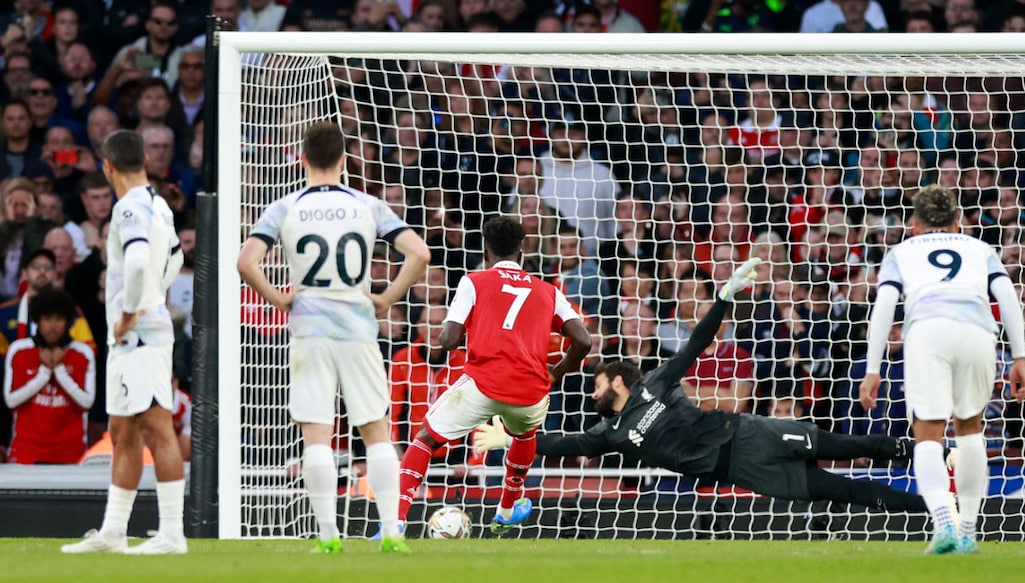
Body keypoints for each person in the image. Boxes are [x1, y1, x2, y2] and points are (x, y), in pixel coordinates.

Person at [476, 258, 928, 517]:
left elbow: (697, 342)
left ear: (617, 379)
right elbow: (556, 442)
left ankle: (922, 451)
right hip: (744, 472)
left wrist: (724, 297)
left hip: (750, 431)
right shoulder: (609, 435)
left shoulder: (657, 382)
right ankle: (932, 513)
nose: (592, 394)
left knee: (845, 444)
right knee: (841, 490)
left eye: (596, 384)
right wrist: (509, 437)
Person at [237, 121, 429, 554]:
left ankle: (327, 537)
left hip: (309, 327)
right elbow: (420, 253)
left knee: (317, 434)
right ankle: (393, 533)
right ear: (345, 159)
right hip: (358, 325)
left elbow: (247, 262)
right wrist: (387, 298)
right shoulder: (368, 204)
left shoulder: (285, 207)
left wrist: (280, 299)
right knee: (376, 430)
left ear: (302, 159)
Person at [388, 217, 592, 538]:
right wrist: (556, 372)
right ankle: (506, 510)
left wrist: (458, 328)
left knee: (426, 439)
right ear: (522, 250)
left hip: (484, 383)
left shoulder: (474, 281)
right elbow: (584, 341)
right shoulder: (548, 291)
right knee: (524, 436)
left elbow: (449, 340)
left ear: (486, 250)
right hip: (531, 390)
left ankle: (395, 522)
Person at [859, 185, 1025, 555]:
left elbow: (884, 306)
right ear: (958, 223)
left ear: (915, 225)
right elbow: (1008, 298)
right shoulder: (980, 249)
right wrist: (1019, 356)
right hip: (977, 333)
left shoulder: (901, 252)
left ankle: (943, 524)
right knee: (970, 430)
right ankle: (968, 530)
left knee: (928, 434)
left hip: (928, 333)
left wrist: (873, 368)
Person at [61, 129, 186, 554]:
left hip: (137, 333)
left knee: (156, 427)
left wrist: (133, 311)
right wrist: (154, 293)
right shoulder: (160, 206)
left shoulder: (128, 208)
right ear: (144, 162)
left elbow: (135, 262)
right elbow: (177, 258)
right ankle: (114, 531)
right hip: (137, 334)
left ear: (107, 166)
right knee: (122, 429)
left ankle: (172, 534)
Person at [3, 288, 95, 464]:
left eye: (59, 319)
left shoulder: (83, 353)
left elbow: (86, 402)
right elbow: (11, 400)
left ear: (67, 321)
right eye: (47, 319)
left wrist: (59, 370)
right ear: (38, 320)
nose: (53, 325)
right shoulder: (19, 350)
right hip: (26, 453)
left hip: (70, 454)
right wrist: (45, 373)